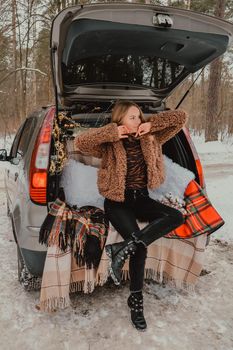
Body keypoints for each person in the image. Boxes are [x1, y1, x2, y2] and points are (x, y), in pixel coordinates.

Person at [74, 100, 188, 331]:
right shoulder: (109, 143)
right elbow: (81, 142)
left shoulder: (152, 137)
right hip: (117, 202)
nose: (138, 120)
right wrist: (111, 132)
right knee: (141, 247)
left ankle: (122, 248)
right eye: (133, 117)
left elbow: (180, 118)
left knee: (176, 216)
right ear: (121, 120)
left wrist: (151, 124)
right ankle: (136, 300)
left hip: (142, 199)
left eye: (139, 116)